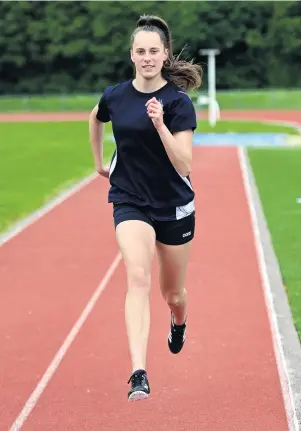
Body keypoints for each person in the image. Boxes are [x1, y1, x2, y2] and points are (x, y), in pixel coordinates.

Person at [89, 14, 202, 401]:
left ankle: (179, 321)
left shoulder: (177, 102)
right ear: (132, 55)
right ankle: (139, 372)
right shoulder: (116, 95)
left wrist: (159, 125)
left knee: (173, 293)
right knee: (137, 276)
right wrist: (99, 162)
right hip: (130, 199)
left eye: (154, 51)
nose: (147, 57)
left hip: (173, 206)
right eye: (141, 51)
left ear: (165, 54)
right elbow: (96, 117)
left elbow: (185, 164)